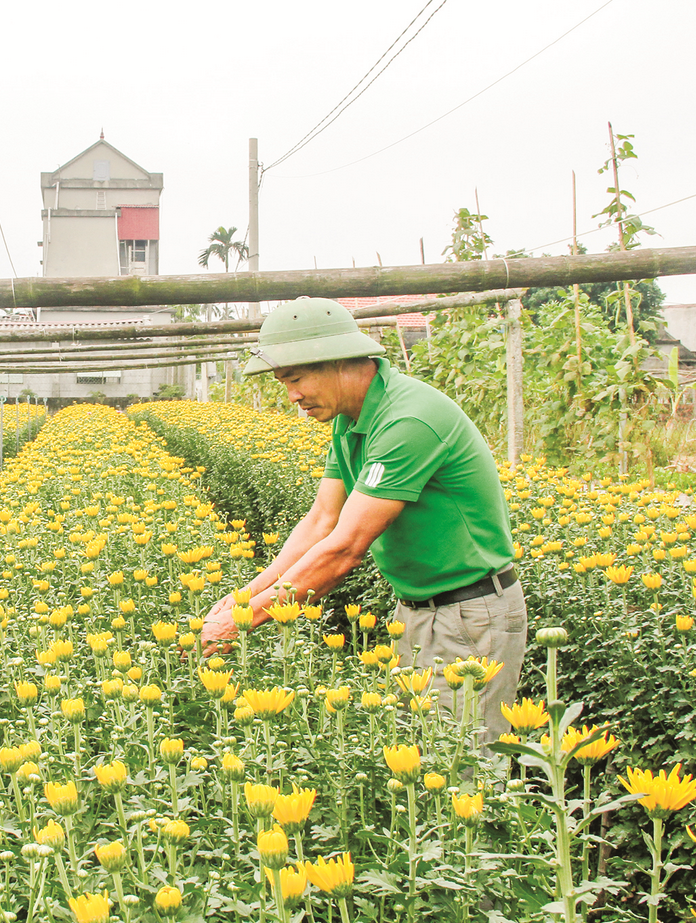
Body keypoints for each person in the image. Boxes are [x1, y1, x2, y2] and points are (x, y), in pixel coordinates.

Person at [200, 297, 525, 743]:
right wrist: (242, 598)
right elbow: (321, 521)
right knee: (421, 754)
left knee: (463, 761)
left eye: (295, 379)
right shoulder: (351, 419)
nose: (292, 397)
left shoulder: (408, 419)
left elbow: (345, 548)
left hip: (469, 616)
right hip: (417, 609)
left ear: (337, 361)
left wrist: (243, 621)